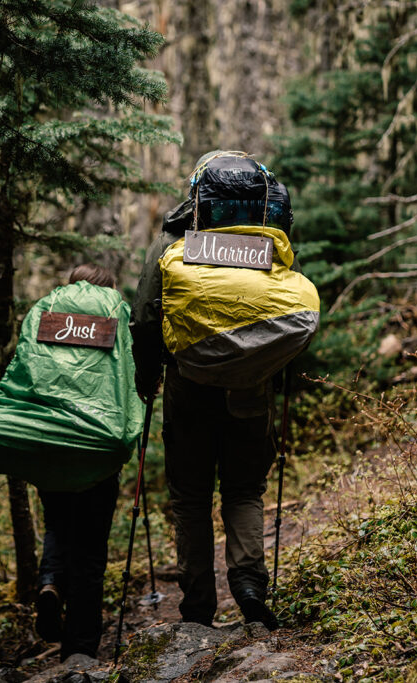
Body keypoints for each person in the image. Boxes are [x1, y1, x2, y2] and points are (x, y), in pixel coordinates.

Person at [130, 152, 287, 630]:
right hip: (250, 389)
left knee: (191, 498)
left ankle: (198, 606)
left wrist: (146, 378)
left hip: (189, 387)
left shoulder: (174, 243)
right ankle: (248, 584)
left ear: (199, 196)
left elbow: (144, 317)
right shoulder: (266, 243)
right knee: (243, 488)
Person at [0, 263, 143, 660]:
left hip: (47, 439)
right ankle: (79, 650)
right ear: (109, 286)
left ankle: (49, 582)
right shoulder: (118, 311)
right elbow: (134, 370)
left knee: (58, 522)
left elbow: (22, 372)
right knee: (91, 551)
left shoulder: (44, 310)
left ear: (72, 282)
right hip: (96, 445)